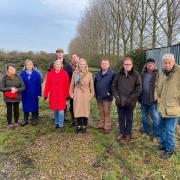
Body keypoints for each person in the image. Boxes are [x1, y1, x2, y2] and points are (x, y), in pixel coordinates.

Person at [155, 53, 180, 159]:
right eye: (165, 62)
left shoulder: (179, 72)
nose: (166, 64)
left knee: (170, 130)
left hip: (173, 107)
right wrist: (157, 96)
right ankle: (163, 144)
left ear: (173, 61)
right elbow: (156, 86)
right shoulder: (161, 73)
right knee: (161, 127)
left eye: (169, 62)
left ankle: (170, 149)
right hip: (162, 106)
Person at [112, 57, 142, 141]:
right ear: (123, 65)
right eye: (126, 64)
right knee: (121, 118)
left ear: (132, 65)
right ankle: (122, 133)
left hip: (130, 101)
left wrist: (132, 98)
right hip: (120, 101)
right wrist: (117, 97)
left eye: (129, 64)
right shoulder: (118, 74)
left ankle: (128, 133)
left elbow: (139, 88)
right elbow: (113, 86)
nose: (127, 65)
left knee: (129, 118)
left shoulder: (136, 74)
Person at [70, 58, 94, 133]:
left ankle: (84, 126)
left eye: (83, 64)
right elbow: (72, 85)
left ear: (85, 65)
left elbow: (91, 86)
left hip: (86, 94)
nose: (82, 65)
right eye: (80, 64)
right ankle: (78, 126)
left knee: (85, 111)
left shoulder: (89, 74)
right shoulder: (75, 73)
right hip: (77, 93)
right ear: (78, 65)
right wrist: (71, 94)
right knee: (77, 110)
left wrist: (91, 95)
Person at [44, 60, 70, 131]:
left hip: (62, 95)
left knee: (61, 111)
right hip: (53, 95)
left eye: (59, 64)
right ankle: (56, 123)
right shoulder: (50, 74)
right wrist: (46, 94)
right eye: (56, 64)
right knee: (55, 110)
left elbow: (67, 85)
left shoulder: (65, 73)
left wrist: (67, 95)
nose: (58, 66)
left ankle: (61, 125)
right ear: (54, 66)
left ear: (61, 65)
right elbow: (47, 85)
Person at [139, 58, 160, 144]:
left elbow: (160, 87)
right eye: (149, 63)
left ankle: (155, 135)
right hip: (143, 100)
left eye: (152, 63)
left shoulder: (158, 75)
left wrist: (159, 97)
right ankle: (145, 131)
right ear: (146, 65)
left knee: (156, 119)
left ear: (154, 65)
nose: (150, 65)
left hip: (153, 101)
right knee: (144, 118)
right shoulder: (142, 75)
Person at [94, 59, 116, 134]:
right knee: (101, 111)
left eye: (105, 63)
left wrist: (110, 93)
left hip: (107, 97)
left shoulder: (112, 73)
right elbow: (95, 83)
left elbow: (114, 85)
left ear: (108, 65)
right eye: (103, 63)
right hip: (99, 96)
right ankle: (101, 124)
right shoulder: (98, 73)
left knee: (107, 112)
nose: (104, 65)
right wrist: (95, 93)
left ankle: (107, 126)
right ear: (101, 64)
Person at [0, 64, 25, 129]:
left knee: (16, 110)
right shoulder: (4, 78)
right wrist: (10, 88)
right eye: (10, 69)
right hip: (8, 98)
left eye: (13, 69)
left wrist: (16, 90)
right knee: (9, 110)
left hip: (17, 97)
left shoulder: (19, 77)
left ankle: (16, 122)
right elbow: (1, 88)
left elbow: (23, 87)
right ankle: (9, 124)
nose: (12, 70)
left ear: (15, 69)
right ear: (7, 70)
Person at [20, 60, 42, 126]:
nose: (29, 66)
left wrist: (39, 94)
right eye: (28, 65)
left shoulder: (37, 74)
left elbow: (39, 85)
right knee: (26, 106)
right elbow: (20, 84)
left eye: (31, 65)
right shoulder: (22, 73)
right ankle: (25, 120)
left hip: (34, 93)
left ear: (33, 65)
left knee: (34, 106)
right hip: (25, 93)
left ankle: (34, 119)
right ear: (25, 66)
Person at [69, 53, 80, 126]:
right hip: (72, 88)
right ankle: (73, 120)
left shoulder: (82, 65)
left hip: (81, 89)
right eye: (72, 58)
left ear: (78, 57)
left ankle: (80, 119)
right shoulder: (69, 66)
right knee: (72, 105)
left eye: (75, 57)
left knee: (80, 105)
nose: (74, 59)